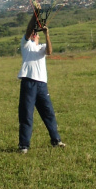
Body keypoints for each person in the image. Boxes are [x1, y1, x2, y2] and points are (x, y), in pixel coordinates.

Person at [17, 13, 65, 153]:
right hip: (29, 82)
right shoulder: (26, 44)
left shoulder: (42, 47)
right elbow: (28, 29)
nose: (34, 34)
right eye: (33, 33)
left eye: (35, 33)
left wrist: (46, 34)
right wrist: (35, 14)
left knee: (48, 112)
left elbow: (49, 51)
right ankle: (24, 145)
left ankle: (56, 140)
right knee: (26, 114)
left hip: (42, 85)